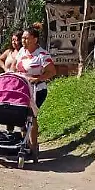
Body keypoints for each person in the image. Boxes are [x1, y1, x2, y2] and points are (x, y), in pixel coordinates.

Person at [13, 27, 56, 156]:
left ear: (35, 39)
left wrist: (37, 79)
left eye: (27, 38)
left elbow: (52, 72)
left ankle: (33, 145)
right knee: (20, 115)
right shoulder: (21, 51)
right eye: (23, 38)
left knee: (31, 115)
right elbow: (15, 66)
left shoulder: (42, 55)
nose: (24, 41)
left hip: (37, 90)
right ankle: (24, 142)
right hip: (21, 88)